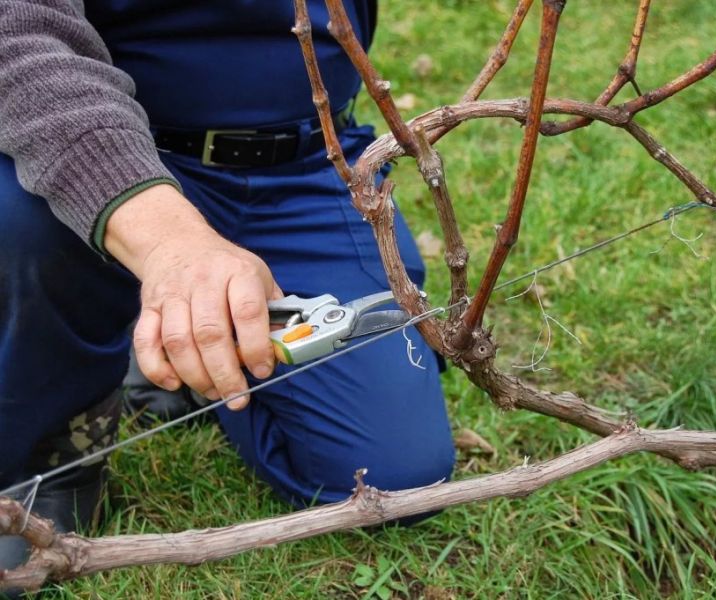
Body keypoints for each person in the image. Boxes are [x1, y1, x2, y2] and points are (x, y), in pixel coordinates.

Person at [0, 0, 455, 580]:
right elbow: (19, 38)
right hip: (113, 149)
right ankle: (57, 449)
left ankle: (195, 347)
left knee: (397, 475)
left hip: (308, 166)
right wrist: (171, 243)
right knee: (18, 218)